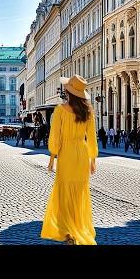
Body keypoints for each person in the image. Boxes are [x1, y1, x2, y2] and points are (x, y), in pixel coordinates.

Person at [41, 75, 98, 245]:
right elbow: (92, 139)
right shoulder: (88, 112)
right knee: (80, 193)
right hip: (81, 153)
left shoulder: (60, 110)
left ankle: (68, 232)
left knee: (65, 192)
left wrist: (52, 158)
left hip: (66, 154)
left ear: (68, 92)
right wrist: (92, 159)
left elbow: (55, 137)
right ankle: (77, 229)